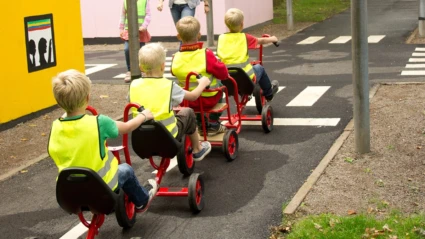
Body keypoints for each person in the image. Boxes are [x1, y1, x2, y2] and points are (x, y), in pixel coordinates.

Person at [48, 69, 157, 212]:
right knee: (126, 170)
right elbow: (126, 127)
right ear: (87, 98)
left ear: (59, 102)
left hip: (68, 194)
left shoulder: (56, 126)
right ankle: (142, 200)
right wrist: (143, 116)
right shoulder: (99, 122)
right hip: (101, 190)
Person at [129, 43, 212, 161]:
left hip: (141, 140)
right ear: (163, 66)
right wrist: (203, 83)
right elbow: (193, 96)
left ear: (141, 67)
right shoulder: (169, 86)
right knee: (188, 112)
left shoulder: (134, 85)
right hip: (168, 139)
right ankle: (197, 149)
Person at [171, 16, 229, 136]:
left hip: (187, 101)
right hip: (208, 99)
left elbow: (173, 72)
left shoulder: (175, 57)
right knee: (220, 85)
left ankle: (199, 123)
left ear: (179, 37)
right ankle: (213, 122)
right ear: (199, 35)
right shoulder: (206, 54)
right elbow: (222, 73)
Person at [217, 8, 279, 102]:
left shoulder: (221, 38)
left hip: (227, 79)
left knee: (236, 75)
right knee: (259, 68)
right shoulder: (244, 38)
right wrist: (273, 39)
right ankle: (269, 93)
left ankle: (242, 93)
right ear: (242, 24)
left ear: (226, 24)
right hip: (246, 79)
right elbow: (261, 41)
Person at [119, 0, 152, 83]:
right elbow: (123, 15)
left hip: (140, 31)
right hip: (128, 30)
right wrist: (121, 29)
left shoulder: (145, 1)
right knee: (127, 49)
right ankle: (130, 70)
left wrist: (144, 26)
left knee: (142, 50)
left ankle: (143, 70)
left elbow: (148, 15)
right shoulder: (126, 1)